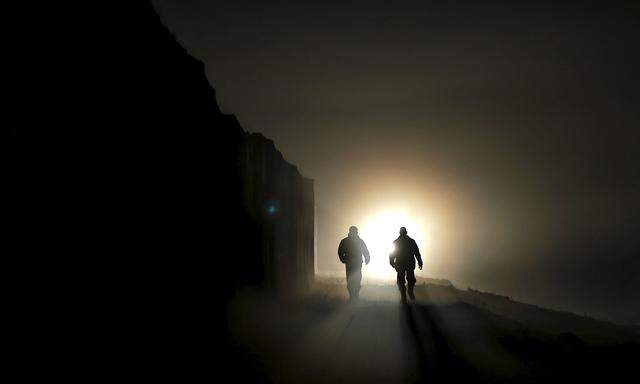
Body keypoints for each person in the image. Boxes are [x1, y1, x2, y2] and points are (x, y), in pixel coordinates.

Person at [389, 227, 422, 302]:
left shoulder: (397, 242)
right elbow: (416, 253)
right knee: (408, 280)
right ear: (406, 232)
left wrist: (391, 262)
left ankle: (404, 295)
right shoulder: (411, 241)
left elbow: (392, 253)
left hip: (401, 264)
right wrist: (420, 262)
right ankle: (407, 294)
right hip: (407, 263)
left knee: (403, 280)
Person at [338, 226, 370, 301]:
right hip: (355, 263)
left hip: (351, 263)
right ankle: (354, 295)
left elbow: (340, 252)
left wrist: (343, 259)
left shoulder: (345, 241)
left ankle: (354, 295)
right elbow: (365, 251)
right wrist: (367, 258)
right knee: (355, 279)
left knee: (354, 279)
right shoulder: (359, 241)